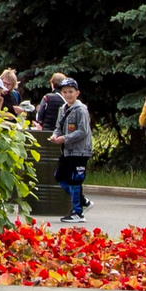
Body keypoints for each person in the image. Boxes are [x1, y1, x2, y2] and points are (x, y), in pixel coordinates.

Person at [46, 79, 91, 221]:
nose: (68, 95)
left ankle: (77, 211)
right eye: (64, 92)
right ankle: (82, 201)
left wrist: (65, 138)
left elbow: (83, 131)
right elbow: (59, 127)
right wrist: (55, 135)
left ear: (77, 93)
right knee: (59, 176)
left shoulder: (81, 110)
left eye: (71, 92)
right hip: (67, 151)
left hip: (80, 151)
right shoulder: (63, 109)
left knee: (74, 179)